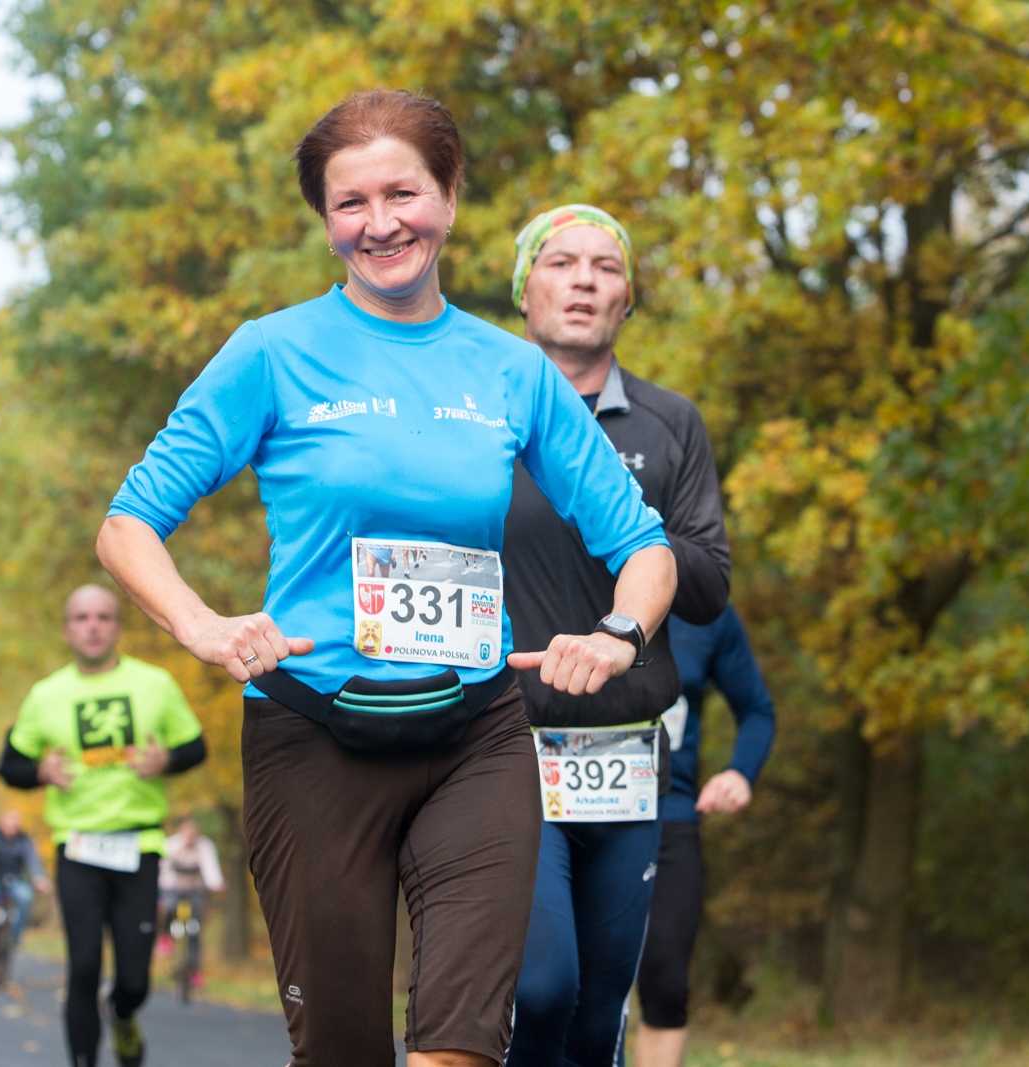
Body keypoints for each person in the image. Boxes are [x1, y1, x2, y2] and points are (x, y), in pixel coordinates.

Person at [96, 89, 676, 1067]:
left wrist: (616, 632)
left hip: (476, 730)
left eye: (401, 193)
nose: (379, 223)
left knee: (463, 1042)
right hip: (313, 730)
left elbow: (644, 545)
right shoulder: (272, 353)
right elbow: (127, 526)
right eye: (349, 204)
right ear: (326, 221)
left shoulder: (510, 370)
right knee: (344, 1048)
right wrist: (200, 625)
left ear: (448, 196)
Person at [501, 204, 732, 1067]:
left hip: (629, 755)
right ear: (527, 289)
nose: (585, 279)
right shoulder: (482, 417)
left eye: (606, 266)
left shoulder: (670, 425)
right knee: (538, 987)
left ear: (627, 297)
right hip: (506, 742)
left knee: (600, 1015)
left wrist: (632, 533)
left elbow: (709, 587)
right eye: (562, 262)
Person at [0, 584, 208, 1067]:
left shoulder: (155, 684)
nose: (93, 625)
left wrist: (166, 759)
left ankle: (123, 1015)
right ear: (67, 629)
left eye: (103, 617)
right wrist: (40, 772)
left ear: (118, 626)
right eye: (82, 617)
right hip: (77, 847)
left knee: (134, 979)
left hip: (139, 843)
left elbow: (197, 748)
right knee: (84, 966)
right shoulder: (46, 695)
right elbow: (9, 765)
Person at [634, 607, 775, 1067]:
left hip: (671, 814)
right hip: (568, 812)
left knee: (666, 980)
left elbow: (756, 710)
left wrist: (740, 772)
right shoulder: (570, 580)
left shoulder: (707, 616)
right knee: (565, 984)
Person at [0, 809, 51, 970]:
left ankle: (15, 936)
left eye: (16, 824)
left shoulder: (24, 840)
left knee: (26, 896)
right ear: (2, 824)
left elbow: (33, 860)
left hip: (14, 881)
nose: (14, 826)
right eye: (11, 823)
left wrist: (39, 878)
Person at [156, 817, 225, 984]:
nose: (190, 837)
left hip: (195, 889)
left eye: (193, 834)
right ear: (181, 833)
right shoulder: (171, 845)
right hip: (172, 886)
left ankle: (195, 971)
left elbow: (210, 867)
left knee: (195, 929)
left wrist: (216, 883)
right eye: (187, 833)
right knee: (169, 908)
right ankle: (166, 936)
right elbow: (162, 869)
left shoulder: (204, 846)